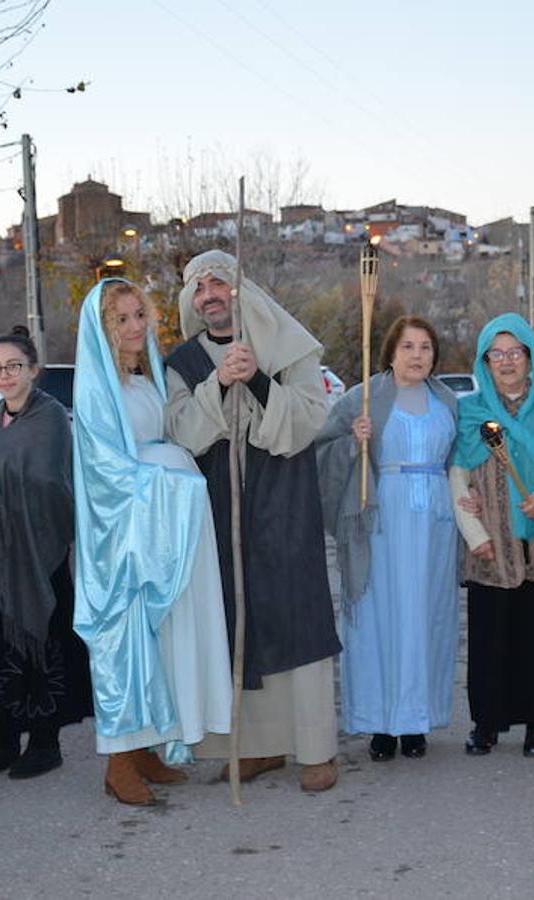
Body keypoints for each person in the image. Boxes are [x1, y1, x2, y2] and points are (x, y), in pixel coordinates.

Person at [164, 251, 342, 792]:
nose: (210, 294)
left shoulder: (290, 346)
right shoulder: (181, 362)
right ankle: (253, 747)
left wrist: (259, 381)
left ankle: (315, 749)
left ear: (241, 289)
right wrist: (218, 382)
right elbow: (181, 433)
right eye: (199, 288)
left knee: (296, 616)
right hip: (218, 507)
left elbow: (312, 418)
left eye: (219, 282)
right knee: (231, 619)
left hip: (283, 502)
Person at [73, 279, 232, 805]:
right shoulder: (98, 389)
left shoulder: (146, 378)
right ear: (101, 327)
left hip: (169, 524)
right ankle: (119, 761)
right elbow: (104, 471)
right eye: (121, 318)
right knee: (129, 641)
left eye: (139, 313)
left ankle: (147, 748)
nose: (136, 325)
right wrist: (176, 485)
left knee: (163, 638)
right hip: (131, 534)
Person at [315, 316, 459, 762]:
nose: (417, 356)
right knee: (381, 616)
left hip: (435, 522)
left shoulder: (448, 400)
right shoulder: (363, 400)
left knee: (425, 617)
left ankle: (415, 720)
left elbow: (460, 461)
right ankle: (380, 722)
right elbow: (322, 450)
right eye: (408, 347)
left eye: (426, 348)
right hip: (380, 520)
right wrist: (352, 443)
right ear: (390, 352)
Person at [0, 327, 91, 780]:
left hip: (40, 556)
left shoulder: (50, 417)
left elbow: (50, 484)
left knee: (42, 645)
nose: (5, 375)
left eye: (14, 366)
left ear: (33, 370)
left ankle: (44, 742)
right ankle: (3, 740)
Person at [451, 313, 534, 758]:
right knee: (490, 635)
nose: (506, 362)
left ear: (531, 357)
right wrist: (473, 533)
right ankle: (486, 723)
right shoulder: (469, 411)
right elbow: (458, 472)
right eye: (496, 354)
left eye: (515, 352)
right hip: (491, 539)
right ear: (485, 361)